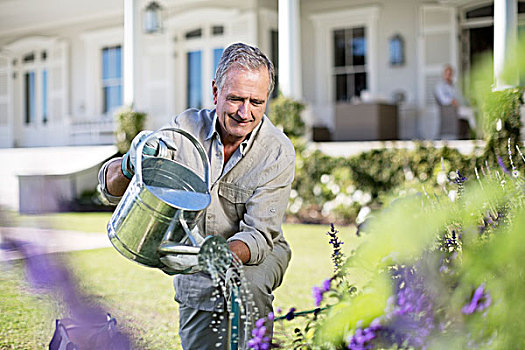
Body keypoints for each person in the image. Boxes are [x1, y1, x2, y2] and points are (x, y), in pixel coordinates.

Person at [97, 42, 295, 349]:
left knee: (248, 288)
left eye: (257, 102)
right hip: (196, 258)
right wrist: (130, 161)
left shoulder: (277, 151)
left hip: (256, 253)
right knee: (200, 342)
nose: (246, 113)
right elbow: (108, 191)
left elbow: (258, 235)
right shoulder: (184, 130)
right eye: (235, 99)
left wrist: (217, 256)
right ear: (215, 92)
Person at [434, 64, 474, 139]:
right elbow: (443, 100)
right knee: (471, 112)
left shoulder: (454, 86)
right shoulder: (440, 86)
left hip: (460, 108)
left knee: (474, 110)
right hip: (450, 110)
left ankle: (468, 134)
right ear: (444, 74)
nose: (449, 75)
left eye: (450, 74)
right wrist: (452, 101)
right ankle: (476, 133)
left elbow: (461, 98)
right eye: (447, 74)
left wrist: (468, 103)